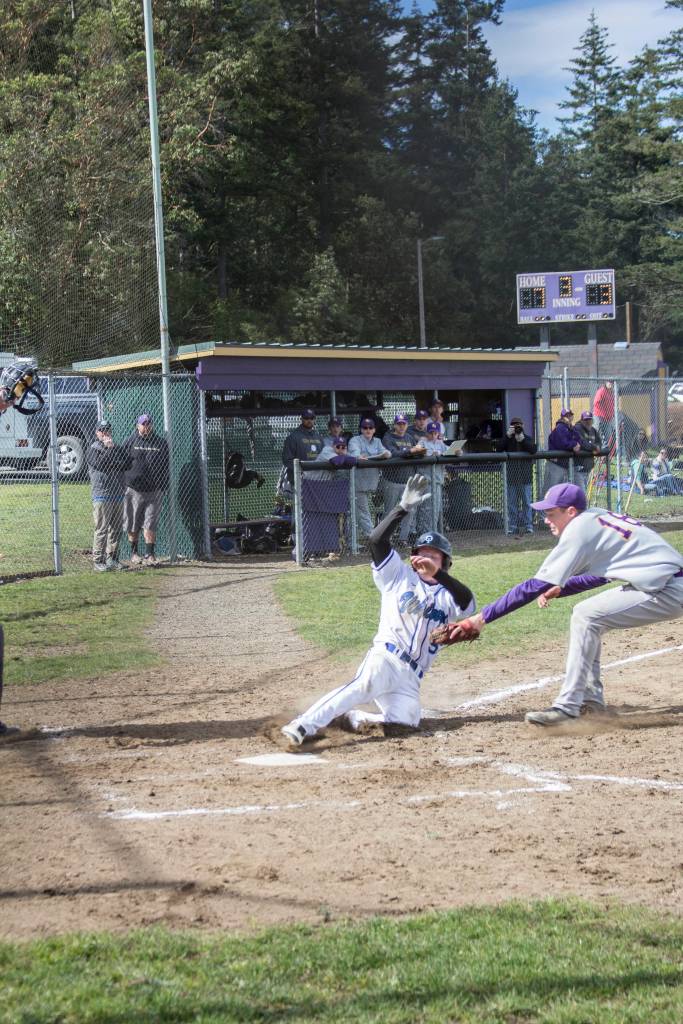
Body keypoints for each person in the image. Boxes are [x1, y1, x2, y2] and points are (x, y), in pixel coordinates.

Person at [444, 482, 683, 726]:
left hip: (667, 589)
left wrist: (481, 618)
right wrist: (563, 588)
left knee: (586, 616)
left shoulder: (579, 529)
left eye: (551, 514)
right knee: (589, 617)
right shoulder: (596, 517)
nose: (547, 520)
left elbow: (533, 586)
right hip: (665, 583)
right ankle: (591, 702)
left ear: (570, 511)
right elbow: (603, 574)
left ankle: (567, 707)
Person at [281, 475, 475, 745]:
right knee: (363, 686)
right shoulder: (398, 575)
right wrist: (402, 508)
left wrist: (438, 576)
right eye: (422, 552)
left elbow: (467, 602)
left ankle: (353, 719)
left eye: (434, 555)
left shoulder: (448, 595)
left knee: (406, 722)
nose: (426, 557)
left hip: (411, 678)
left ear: (446, 562)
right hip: (386, 657)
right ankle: (303, 724)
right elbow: (376, 541)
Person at [122, 413, 170, 567]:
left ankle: (150, 554)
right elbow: (121, 461)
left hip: (154, 491)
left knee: (150, 523)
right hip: (134, 490)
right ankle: (134, 553)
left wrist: (163, 487)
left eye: (148, 423)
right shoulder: (130, 441)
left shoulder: (161, 443)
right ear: (138, 425)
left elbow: (165, 467)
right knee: (133, 522)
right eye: (143, 424)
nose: (146, 426)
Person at [86, 420, 132, 571]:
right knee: (102, 529)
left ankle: (112, 558)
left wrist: (112, 453)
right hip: (102, 494)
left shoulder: (116, 447)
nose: (105, 433)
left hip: (117, 493)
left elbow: (127, 464)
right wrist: (109, 450)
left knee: (117, 529)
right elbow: (101, 465)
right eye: (102, 430)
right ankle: (98, 561)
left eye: (107, 430)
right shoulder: (93, 449)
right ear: (97, 432)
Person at [382, 413, 427, 545]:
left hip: (408, 481)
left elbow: (416, 454)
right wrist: (409, 452)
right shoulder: (388, 437)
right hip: (392, 480)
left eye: (404, 424)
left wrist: (418, 452)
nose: (401, 426)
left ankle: (403, 539)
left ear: (407, 425)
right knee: (390, 511)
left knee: (409, 511)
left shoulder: (409, 437)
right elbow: (392, 454)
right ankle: (385, 538)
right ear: (394, 425)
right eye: (399, 424)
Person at [347, 418, 391, 540]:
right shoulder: (355, 440)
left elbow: (387, 453)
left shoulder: (377, 441)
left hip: (373, 484)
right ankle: (373, 538)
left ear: (374, 430)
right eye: (365, 428)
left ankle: (356, 541)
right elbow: (356, 456)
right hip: (358, 483)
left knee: (363, 513)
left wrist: (371, 456)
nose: (368, 430)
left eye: (370, 428)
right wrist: (378, 456)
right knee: (361, 513)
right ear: (361, 429)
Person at [498, 416, 537, 535]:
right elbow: (498, 449)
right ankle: (512, 526)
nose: (516, 427)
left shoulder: (528, 438)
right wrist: (507, 436)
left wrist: (522, 439)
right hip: (511, 477)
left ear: (523, 426)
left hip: (525, 477)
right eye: (514, 425)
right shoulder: (508, 440)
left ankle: (528, 525)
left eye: (518, 425)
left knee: (527, 502)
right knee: (512, 503)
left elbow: (533, 450)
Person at [415, 420, 448, 534]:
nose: (433, 435)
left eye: (435, 433)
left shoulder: (440, 443)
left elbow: (451, 451)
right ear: (426, 433)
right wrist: (429, 454)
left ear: (438, 433)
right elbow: (416, 450)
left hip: (437, 481)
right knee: (426, 509)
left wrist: (458, 452)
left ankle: (432, 533)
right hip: (426, 481)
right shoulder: (423, 441)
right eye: (431, 433)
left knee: (436, 509)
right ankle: (424, 533)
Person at [281, 408, 325, 488]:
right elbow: (287, 460)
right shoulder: (293, 437)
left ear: (315, 419)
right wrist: (300, 472)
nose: (309, 420)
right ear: (301, 419)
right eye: (306, 418)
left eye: (311, 418)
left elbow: (323, 458)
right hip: (299, 481)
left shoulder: (319, 437)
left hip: (317, 480)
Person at [545, 408, 581, 489]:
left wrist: (577, 444)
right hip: (555, 465)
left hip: (563, 465)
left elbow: (579, 439)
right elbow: (563, 444)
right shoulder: (560, 427)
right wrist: (574, 444)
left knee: (561, 491)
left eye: (570, 415)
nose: (569, 417)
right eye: (566, 415)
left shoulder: (571, 428)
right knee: (550, 491)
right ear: (562, 417)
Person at [573, 411, 602, 493]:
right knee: (580, 492)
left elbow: (599, 442)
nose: (588, 422)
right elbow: (582, 443)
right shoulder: (577, 428)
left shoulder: (593, 430)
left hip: (588, 467)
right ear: (581, 421)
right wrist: (594, 447)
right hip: (578, 467)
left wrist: (598, 447)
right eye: (586, 420)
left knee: (583, 490)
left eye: (590, 420)